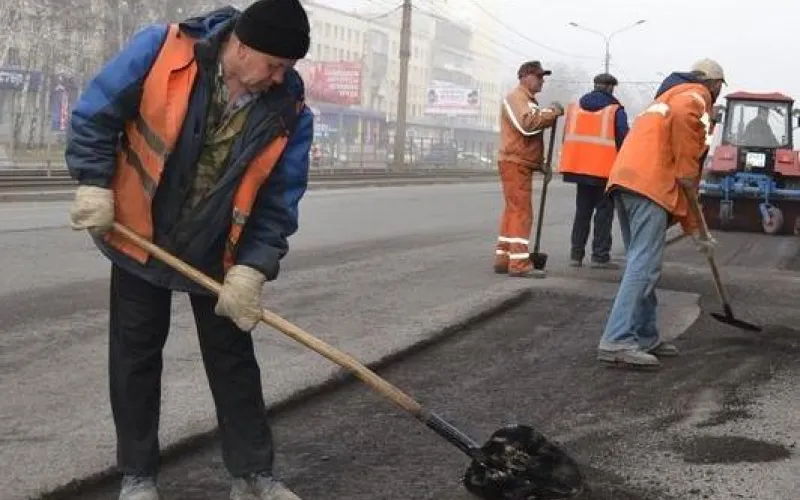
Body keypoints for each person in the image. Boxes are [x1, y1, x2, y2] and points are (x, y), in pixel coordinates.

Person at [65, 1, 313, 499]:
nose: (280, 77)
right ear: (241, 48)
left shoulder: (290, 114)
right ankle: (138, 478)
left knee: (233, 360)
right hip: (140, 233)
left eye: (289, 68)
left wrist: (251, 270)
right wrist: (94, 183)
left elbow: (277, 203)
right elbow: (95, 114)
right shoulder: (161, 50)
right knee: (135, 358)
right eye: (274, 65)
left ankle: (252, 476)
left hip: (217, 251)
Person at [596, 58, 725, 369]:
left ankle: (645, 334)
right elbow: (684, 175)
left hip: (627, 181)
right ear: (715, 84)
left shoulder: (666, 98)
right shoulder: (694, 97)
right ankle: (616, 340)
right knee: (644, 264)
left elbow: (683, 185)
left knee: (642, 260)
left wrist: (697, 233)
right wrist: (686, 171)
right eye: (719, 87)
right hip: (649, 186)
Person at [494, 60, 564, 278]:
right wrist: (552, 113)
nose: (542, 80)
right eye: (539, 76)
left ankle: (504, 258)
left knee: (512, 211)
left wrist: (540, 164)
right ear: (525, 76)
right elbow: (527, 125)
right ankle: (519, 264)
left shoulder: (528, 101)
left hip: (520, 162)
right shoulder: (516, 98)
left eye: (543, 77)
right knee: (521, 213)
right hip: (515, 163)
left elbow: (530, 137)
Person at [558, 72, 629, 269]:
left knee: (582, 212)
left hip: (579, 169)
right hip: (604, 171)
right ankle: (599, 256)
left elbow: (567, 135)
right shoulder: (615, 111)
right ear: (610, 88)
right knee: (604, 213)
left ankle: (576, 255)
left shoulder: (576, 108)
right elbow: (624, 138)